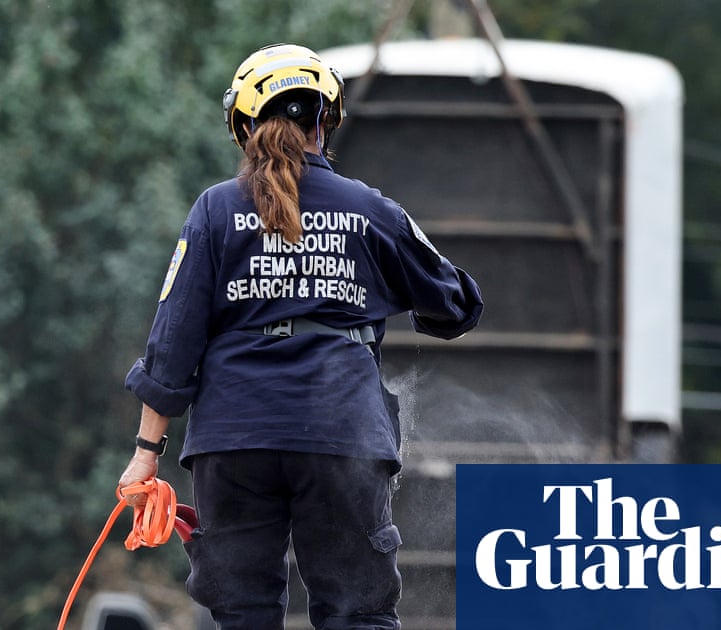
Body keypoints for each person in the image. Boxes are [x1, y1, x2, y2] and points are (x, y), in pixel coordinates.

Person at [117, 43, 483, 629]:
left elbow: (172, 345)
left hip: (234, 438)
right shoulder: (369, 209)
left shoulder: (214, 210)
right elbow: (458, 304)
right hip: (341, 433)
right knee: (355, 615)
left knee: (242, 614)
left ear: (243, 126)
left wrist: (145, 454)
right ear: (326, 120)